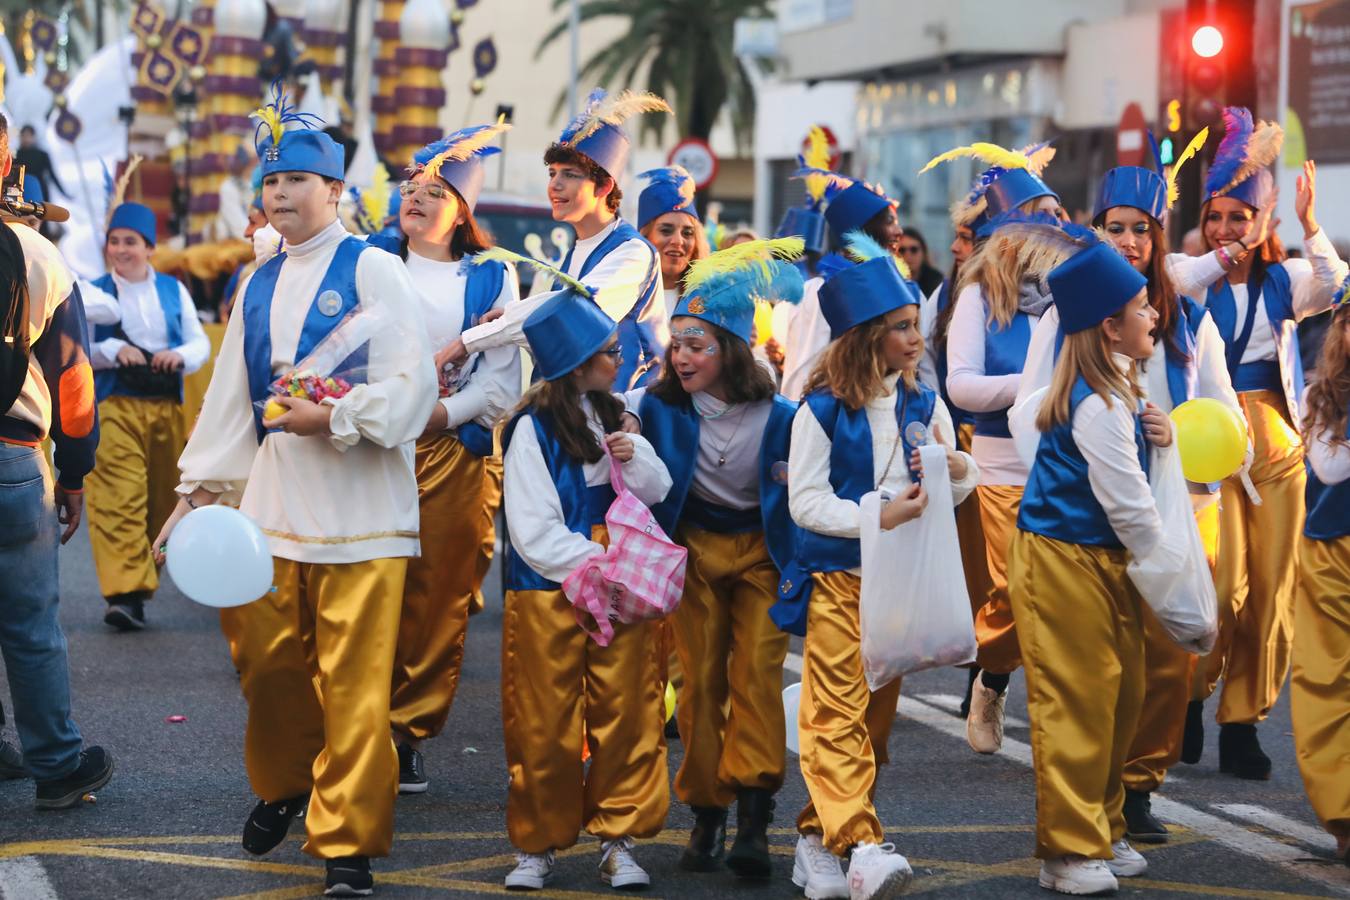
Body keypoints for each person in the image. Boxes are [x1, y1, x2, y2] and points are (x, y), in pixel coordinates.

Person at [151, 87, 437, 897]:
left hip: (363, 514)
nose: (278, 196)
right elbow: (230, 399)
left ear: (336, 191)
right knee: (266, 663)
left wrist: (335, 416)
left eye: (296, 182)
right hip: (271, 510)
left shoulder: (376, 268)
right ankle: (285, 784)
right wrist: (198, 491)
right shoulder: (259, 279)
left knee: (353, 686)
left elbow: (411, 387)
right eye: (269, 183)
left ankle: (347, 846)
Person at [1012, 144, 1242, 842]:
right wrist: (1078, 474)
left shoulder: (1188, 320)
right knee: (1093, 680)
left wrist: (1182, 444)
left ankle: (1137, 786)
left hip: (1177, 506)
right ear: (1098, 231)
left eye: (1142, 229)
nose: (1130, 241)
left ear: (1160, 236)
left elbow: (1226, 415)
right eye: (1116, 227)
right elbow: (1030, 409)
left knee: (1162, 671)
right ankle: (1092, 818)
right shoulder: (1070, 315)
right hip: (1092, 518)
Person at [788, 232, 978, 900]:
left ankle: (815, 842)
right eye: (900, 328)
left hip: (902, 580)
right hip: (841, 580)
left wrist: (958, 469)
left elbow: (954, 486)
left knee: (871, 725)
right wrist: (877, 515)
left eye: (914, 325)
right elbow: (805, 503)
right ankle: (864, 846)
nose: (914, 337)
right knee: (835, 714)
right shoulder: (819, 411)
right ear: (866, 337)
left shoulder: (926, 404)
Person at [624, 239, 807, 880]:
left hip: (761, 553)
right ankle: (707, 810)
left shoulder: (781, 414)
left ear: (729, 349)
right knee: (698, 681)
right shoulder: (656, 407)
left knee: (756, 674)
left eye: (697, 345)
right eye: (677, 344)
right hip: (694, 550)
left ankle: (754, 811)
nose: (682, 356)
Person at [493, 260, 672, 892]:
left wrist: (637, 452)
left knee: (627, 709)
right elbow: (534, 532)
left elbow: (655, 489)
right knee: (543, 718)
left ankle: (618, 838)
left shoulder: (614, 415)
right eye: (608, 352)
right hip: (551, 589)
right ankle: (537, 845)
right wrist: (601, 563)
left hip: (613, 584)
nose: (619, 360)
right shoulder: (530, 431)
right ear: (574, 361)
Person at [1182, 109, 1346, 779]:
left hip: (1277, 444)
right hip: (1206, 448)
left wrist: (1309, 226)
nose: (1226, 228)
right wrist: (1220, 257)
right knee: (1219, 588)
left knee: (1274, 591)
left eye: (1239, 218)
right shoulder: (1187, 274)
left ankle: (1243, 722)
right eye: (1216, 216)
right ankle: (1191, 697)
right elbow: (1171, 283)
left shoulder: (1286, 280)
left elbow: (1336, 287)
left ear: (1262, 220)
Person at [1008, 237, 1171, 895]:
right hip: (1061, 556)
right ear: (1110, 327)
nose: (1155, 313)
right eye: (1141, 306)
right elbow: (1134, 512)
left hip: (1104, 561)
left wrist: (1166, 436)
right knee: (1077, 697)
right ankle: (1069, 851)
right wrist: (1182, 597)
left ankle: (1103, 827)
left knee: (1120, 690)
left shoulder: (1120, 387)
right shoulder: (1099, 404)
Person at [377, 121, 521, 794]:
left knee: (437, 598)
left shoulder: (491, 275)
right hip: (370, 447)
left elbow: (500, 384)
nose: (419, 198)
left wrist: (441, 413)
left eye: (436, 190)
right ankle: (356, 719)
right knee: (366, 584)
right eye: (412, 185)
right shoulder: (365, 261)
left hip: (450, 451)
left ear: (462, 210)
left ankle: (408, 731)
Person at [924, 141, 1063, 754]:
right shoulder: (978, 295)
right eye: (1041, 218)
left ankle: (1064, 726)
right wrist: (1033, 387)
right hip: (1002, 465)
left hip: (1065, 462)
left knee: (1063, 598)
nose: (1055, 229)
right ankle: (994, 673)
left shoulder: (1072, 291)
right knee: (1011, 593)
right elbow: (962, 386)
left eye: (1056, 217)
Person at [0, 114, 114, 809]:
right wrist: (74, 473)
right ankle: (56, 765)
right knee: (32, 627)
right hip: (12, 459)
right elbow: (73, 382)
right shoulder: (36, 253)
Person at [444, 88, 672, 390]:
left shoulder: (633, 253)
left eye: (570, 175)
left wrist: (469, 341)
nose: (555, 185)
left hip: (622, 420)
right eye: (552, 173)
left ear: (604, 186)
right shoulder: (574, 250)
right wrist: (508, 318)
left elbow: (573, 315)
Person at [85, 199, 210, 630]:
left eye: (131, 242)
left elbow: (200, 343)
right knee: (119, 498)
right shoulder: (92, 290)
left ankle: (142, 580)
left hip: (165, 409)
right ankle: (124, 594)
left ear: (150, 247)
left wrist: (177, 355)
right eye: (115, 241)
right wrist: (110, 349)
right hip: (113, 405)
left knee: (162, 500)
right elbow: (77, 347)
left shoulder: (175, 291)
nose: (121, 249)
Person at [1294, 287, 1350, 866]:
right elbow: (1331, 467)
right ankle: (1344, 815)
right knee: (1328, 683)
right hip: (1333, 548)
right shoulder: (1322, 395)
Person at [779, 165, 902, 401]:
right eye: (889, 222)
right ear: (863, 231)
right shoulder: (818, 292)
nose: (899, 231)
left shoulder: (900, 289)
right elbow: (803, 373)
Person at [636, 165, 708, 322]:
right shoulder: (623, 296)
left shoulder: (710, 301)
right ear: (645, 237)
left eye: (688, 233)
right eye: (666, 231)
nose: (678, 241)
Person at [13, 124, 67, 202]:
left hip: (41, 193)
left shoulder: (42, 155)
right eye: (24, 136)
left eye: (28, 136)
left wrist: (63, 192)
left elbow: (52, 175)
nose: (26, 139)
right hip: (21, 194)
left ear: (33, 137)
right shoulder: (15, 156)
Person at [896, 227, 943, 298]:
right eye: (902, 250)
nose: (908, 255)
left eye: (914, 249)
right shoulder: (890, 282)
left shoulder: (937, 282)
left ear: (923, 252)